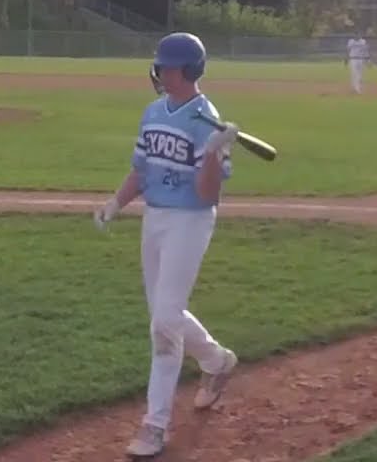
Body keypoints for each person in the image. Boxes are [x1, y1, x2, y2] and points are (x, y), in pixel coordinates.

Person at [93, 32, 241, 459]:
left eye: (165, 66)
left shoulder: (206, 119)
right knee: (165, 313)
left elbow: (208, 194)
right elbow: (141, 170)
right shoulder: (153, 112)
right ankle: (216, 362)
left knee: (164, 322)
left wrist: (214, 153)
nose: (158, 72)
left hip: (189, 221)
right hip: (155, 219)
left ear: (187, 71)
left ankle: (154, 425)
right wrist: (115, 203)